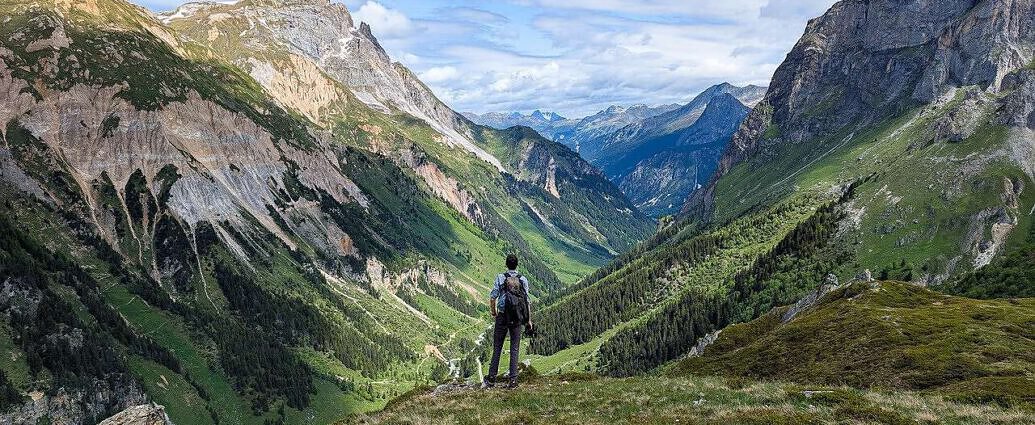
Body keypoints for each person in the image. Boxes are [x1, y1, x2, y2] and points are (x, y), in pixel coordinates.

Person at [484, 254, 532, 389]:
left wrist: (494, 312)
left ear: (506, 264)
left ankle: (491, 379)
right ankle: (513, 381)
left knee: (497, 347)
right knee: (514, 348)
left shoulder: (501, 277)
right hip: (517, 317)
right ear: (517, 265)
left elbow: (493, 297)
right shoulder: (523, 279)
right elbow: (527, 301)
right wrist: (528, 320)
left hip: (503, 316)